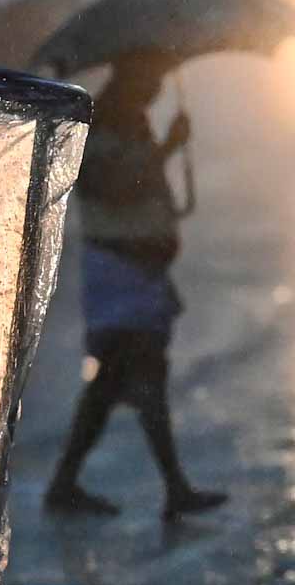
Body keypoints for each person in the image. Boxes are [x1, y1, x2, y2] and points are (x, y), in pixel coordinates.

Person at [45, 50, 226, 521]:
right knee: (143, 374)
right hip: (119, 270)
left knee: (112, 383)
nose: (157, 90)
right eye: (151, 81)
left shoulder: (132, 121)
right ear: (131, 79)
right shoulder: (101, 124)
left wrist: (168, 149)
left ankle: (69, 483)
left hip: (138, 271)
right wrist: (166, 149)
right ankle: (173, 486)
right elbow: (110, 185)